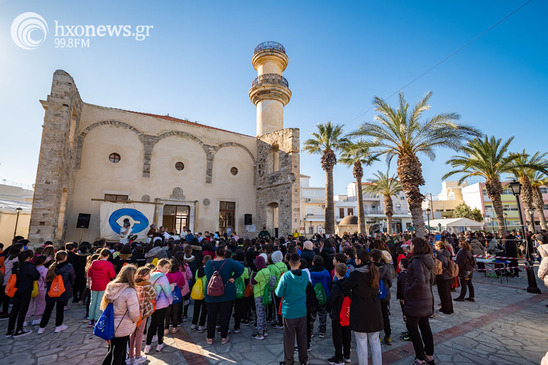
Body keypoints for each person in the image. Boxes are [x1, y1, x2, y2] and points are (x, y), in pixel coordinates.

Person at [341, 249, 383, 365]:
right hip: (374, 309)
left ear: (359, 260)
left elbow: (344, 287)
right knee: (375, 341)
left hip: (360, 310)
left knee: (361, 342)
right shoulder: (374, 270)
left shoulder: (356, 274)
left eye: (356, 258)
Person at [204, 245, 244, 345]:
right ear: (225, 253)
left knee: (211, 316)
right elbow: (241, 268)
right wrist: (234, 277)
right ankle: (223, 336)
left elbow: (206, 273)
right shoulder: (229, 262)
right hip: (226, 292)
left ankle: (210, 337)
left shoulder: (209, 263)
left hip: (211, 293)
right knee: (225, 316)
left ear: (216, 253)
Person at [403, 238, 435, 365]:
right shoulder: (427, 259)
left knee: (413, 328)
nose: (409, 246)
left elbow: (420, 282)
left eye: (411, 244)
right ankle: (429, 354)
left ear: (416, 246)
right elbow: (431, 279)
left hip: (416, 300)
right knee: (425, 326)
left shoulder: (416, 261)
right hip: (425, 298)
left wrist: (408, 291)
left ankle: (420, 357)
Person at [101, 264, 140, 365]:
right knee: (119, 352)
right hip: (123, 325)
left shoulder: (111, 286)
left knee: (112, 350)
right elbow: (134, 314)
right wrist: (135, 321)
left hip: (110, 323)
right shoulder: (130, 291)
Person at [276, 253, 310, 365]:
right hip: (301, 310)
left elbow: (278, 293)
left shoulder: (285, 276)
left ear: (289, 263)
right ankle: (303, 360)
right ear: (299, 264)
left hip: (289, 311)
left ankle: (289, 360)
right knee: (302, 337)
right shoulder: (305, 275)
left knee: (289, 337)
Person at [38, 250, 75, 334]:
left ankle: (42, 327)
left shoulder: (52, 266)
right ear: (65, 257)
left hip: (52, 290)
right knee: (60, 308)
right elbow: (72, 278)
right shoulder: (69, 266)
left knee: (48, 309)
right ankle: (58, 326)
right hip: (62, 290)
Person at [7, 250, 40, 337]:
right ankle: (19, 329)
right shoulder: (29, 266)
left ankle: (10, 330)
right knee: (23, 309)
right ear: (29, 257)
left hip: (16, 289)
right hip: (25, 289)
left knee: (15, 310)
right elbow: (36, 276)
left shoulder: (16, 266)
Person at [145, 259, 173, 353]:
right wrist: (170, 301)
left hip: (152, 303)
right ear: (159, 266)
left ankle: (147, 345)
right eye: (165, 267)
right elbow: (168, 292)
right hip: (161, 304)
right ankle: (160, 344)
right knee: (161, 324)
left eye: (168, 268)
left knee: (152, 324)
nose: (167, 270)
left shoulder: (150, 275)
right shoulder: (162, 277)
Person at [128, 266, 156, 364]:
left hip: (133, 312)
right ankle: (138, 356)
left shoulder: (133, 285)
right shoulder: (148, 286)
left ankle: (130, 355)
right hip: (142, 313)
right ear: (143, 275)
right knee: (139, 334)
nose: (150, 275)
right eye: (148, 274)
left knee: (132, 334)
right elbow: (153, 295)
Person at [326, 263, 351, 365]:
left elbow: (331, 300)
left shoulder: (336, 287)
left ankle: (338, 357)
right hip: (347, 313)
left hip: (337, 313)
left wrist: (328, 309)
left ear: (336, 272)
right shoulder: (349, 284)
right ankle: (347, 355)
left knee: (337, 336)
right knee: (346, 334)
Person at [87, 248, 116, 327]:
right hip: (104, 285)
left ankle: (91, 319)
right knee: (100, 302)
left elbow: (89, 273)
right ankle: (97, 319)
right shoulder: (109, 264)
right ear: (107, 256)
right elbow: (112, 275)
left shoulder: (94, 262)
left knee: (93, 302)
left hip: (94, 285)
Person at [371, 249, 393, 345]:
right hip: (384, 295)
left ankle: (377, 335)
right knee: (385, 315)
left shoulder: (370, 269)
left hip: (373, 295)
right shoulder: (386, 268)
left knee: (375, 315)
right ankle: (388, 336)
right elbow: (390, 281)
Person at [308, 255, 331, 338]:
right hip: (323, 296)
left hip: (312, 297)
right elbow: (329, 283)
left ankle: (310, 331)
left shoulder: (309, 273)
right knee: (323, 315)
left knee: (311, 315)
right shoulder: (326, 272)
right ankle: (322, 330)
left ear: (313, 263)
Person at [251, 255, 271, 340]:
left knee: (259, 314)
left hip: (258, 294)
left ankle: (260, 333)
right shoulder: (267, 270)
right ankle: (264, 330)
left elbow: (253, 281)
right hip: (265, 294)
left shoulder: (260, 273)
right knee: (263, 313)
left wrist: (254, 273)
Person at [25, 255, 48, 326]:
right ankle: (37, 318)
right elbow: (46, 279)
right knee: (40, 304)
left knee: (29, 304)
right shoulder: (45, 270)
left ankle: (26, 320)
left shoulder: (32, 268)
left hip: (31, 288)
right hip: (40, 288)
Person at [190, 255, 211, 332]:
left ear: (203, 261)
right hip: (206, 293)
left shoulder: (198, 270)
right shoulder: (209, 271)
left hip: (198, 292)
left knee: (196, 309)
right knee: (204, 310)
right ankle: (201, 325)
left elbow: (195, 279)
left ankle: (194, 323)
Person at [165, 258, 185, 334]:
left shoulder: (166, 274)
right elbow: (183, 283)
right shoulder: (180, 274)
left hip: (168, 295)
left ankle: (166, 328)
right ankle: (174, 327)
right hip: (177, 294)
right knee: (176, 311)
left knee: (167, 312)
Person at [434, 241, 453, 314]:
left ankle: (445, 309)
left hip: (442, 276)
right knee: (447, 293)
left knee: (443, 293)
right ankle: (449, 308)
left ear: (438, 246)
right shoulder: (446, 253)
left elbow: (439, 265)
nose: (434, 247)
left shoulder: (440, 254)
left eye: (435, 246)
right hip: (447, 275)